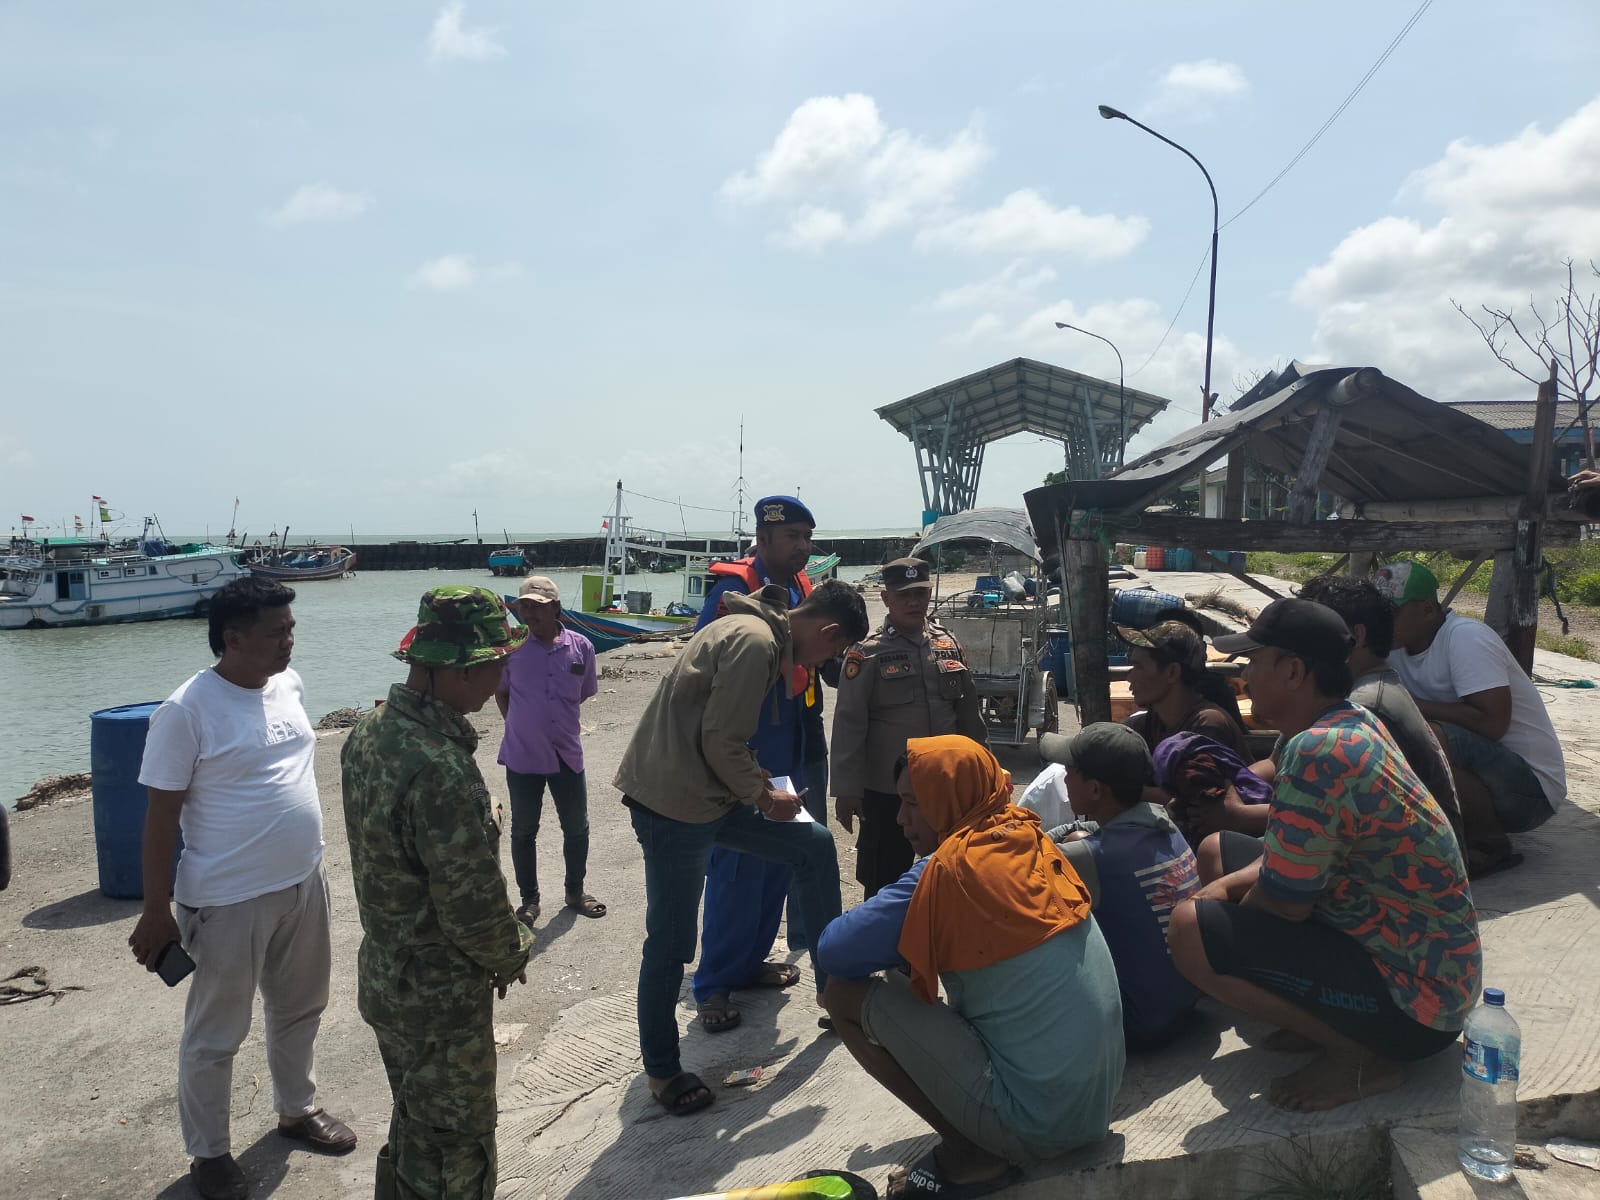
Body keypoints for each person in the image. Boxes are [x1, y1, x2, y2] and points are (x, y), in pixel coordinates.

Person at [1167, 598, 1481, 1112]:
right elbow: (1291, 849)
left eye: (1253, 660)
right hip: (1419, 964)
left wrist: (1221, 923)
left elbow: (1284, 905)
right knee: (1217, 852)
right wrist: (1224, 889)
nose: (1243, 674)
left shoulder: (1321, 752)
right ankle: (1324, 1016)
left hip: (1419, 1007)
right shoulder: (1343, 722)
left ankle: (1364, 1055)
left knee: (1188, 931)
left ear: (1292, 671)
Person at [129, 576, 356, 1200]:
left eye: (291, 630)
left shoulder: (288, 683)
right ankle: (209, 1154)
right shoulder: (186, 710)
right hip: (227, 898)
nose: (288, 641)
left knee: (301, 1007)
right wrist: (156, 910)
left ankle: (296, 1110)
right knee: (215, 1034)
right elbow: (159, 818)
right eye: (274, 632)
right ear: (232, 638)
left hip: (304, 880)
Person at [818, 735, 1123, 1198]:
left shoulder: (948, 871)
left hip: (1039, 1126)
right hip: (1094, 1108)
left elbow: (834, 950)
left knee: (841, 994)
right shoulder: (1027, 836)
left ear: (946, 801)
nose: (901, 818)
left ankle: (972, 1153)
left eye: (911, 804)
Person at [615, 579, 867, 1117]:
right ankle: (662, 1069)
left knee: (813, 845)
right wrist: (763, 796)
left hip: (711, 793)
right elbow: (720, 742)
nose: (825, 662)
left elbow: (722, 739)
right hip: (673, 803)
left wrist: (762, 791)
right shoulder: (754, 642)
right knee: (671, 939)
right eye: (833, 651)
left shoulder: (760, 634)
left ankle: (835, 992)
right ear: (826, 631)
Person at [341, 586, 536, 1198]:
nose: (501, 678)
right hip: (439, 996)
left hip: (387, 976)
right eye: (495, 665)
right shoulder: (440, 766)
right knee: (458, 1144)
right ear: (455, 668)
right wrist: (512, 951)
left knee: (413, 1126)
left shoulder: (371, 731)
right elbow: (470, 904)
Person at [689, 495, 822, 1033]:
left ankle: (748, 964)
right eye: (792, 536)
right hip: (747, 748)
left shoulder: (801, 588)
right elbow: (703, 664)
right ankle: (714, 984)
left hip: (792, 739)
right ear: (763, 539)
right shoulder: (731, 592)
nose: (803, 547)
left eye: (807, 537)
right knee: (737, 866)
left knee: (779, 860)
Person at [1376, 560, 1565, 876]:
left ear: (1426, 610)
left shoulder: (1465, 638)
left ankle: (1488, 843)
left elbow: (1492, 724)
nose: (1383, 622)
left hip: (1530, 791)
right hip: (1489, 776)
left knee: (1429, 735)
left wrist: (1408, 704)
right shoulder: (1395, 646)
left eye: (1391, 613)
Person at [830, 557, 987, 898]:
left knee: (951, 874)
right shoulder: (866, 654)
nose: (914, 602)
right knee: (885, 878)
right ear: (886, 599)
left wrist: (985, 768)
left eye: (920, 593)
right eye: (904, 595)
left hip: (946, 786)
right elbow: (848, 723)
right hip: (888, 792)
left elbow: (968, 713)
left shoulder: (948, 644)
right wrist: (846, 789)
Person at [1042, 724, 1201, 1051]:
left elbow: (1018, 862)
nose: (1064, 779)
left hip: (1138, 1022)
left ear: (1096, 790)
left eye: (1069, 772)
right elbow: (1089, 828)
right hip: (1186, 1002)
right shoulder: (1165, 825)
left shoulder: (1093, 856)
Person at [1291, 574, 1464, 847]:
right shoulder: (1350, 688)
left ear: (1357, 636)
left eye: (1313, 629)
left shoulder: (1364, 707)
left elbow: (1327, 810)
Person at [496, 575, 605, 925]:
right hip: (523, 754)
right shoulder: (511, 650)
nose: (529, 614)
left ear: (556, 607)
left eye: (537, 607)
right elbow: (502, 692)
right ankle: (530, 901)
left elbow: (585, 690)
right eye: (524, 606)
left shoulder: (581, 647)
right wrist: (518, 724)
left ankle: (575, 891)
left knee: (577, 827)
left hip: (566, 753)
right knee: (524, 830)